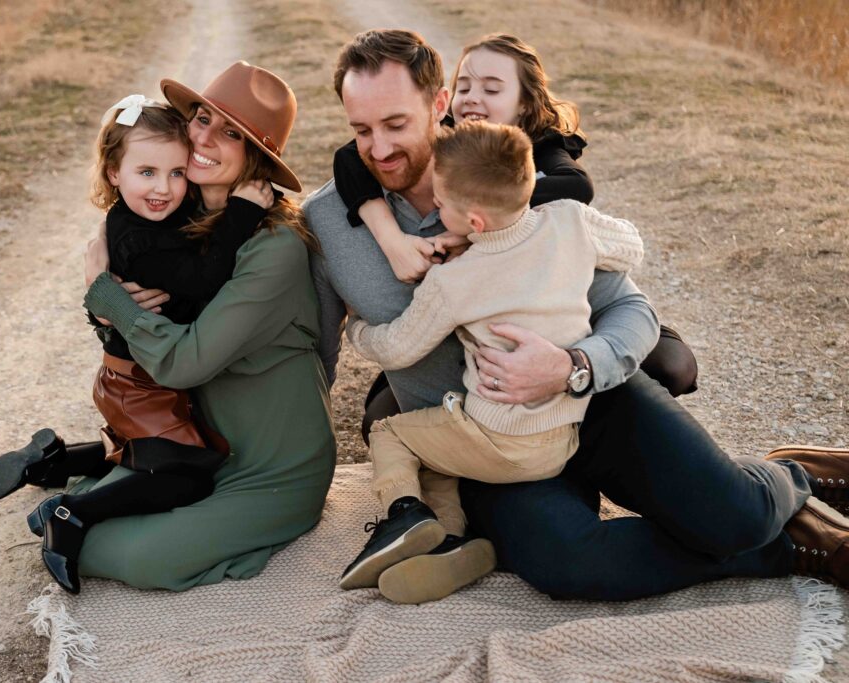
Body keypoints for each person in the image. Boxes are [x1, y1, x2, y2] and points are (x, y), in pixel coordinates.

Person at [303, 28, 849, 602]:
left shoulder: (507, 176)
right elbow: (317, 355)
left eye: (395, 125)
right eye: (360, 131)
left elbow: (631, 307)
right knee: (567, 563)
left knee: (732, 512)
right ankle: (794, 544)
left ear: (439, 105)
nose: (379, 149)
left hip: (593, 400)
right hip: (486, 446)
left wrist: (572, 366)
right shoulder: (329, 220)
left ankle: (790, 477)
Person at [0, 61, 336, 593]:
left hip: (273, 468)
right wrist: (109, 292)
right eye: (201, 118)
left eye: (231, 132)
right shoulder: (188, 211)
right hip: (201, 443)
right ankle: (84, 475)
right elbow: (137, 276)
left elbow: (182, 361)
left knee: (128, 552)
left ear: (257, 156)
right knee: (113, 505)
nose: (204, 138)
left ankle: (89, 483)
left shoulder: (274, 247)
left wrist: (105, 293)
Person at [336, 34, 696, 445]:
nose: (473, 98)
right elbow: (349, 156)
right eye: (465, 86)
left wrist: (492, 212)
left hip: (563, 315)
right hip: (466, 340)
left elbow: (578, 187)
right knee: (381, 423)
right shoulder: (454, 144)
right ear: (444, 101)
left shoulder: (543, 158)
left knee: (669, 364)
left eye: (491, 89)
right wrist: (390, 237)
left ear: (524, 104)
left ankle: (597, 429)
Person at [339, 121, 643, 604]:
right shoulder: (569, 220)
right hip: (564, 437)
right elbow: (631, 246)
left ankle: (402, 512)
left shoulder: (455, 280)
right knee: (436, 455)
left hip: (499, 439)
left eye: (441, 204)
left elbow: (398, 348)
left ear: (474, 222)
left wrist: (355, 327)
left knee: (393, 433)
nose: (436, 210)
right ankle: (447, 540)